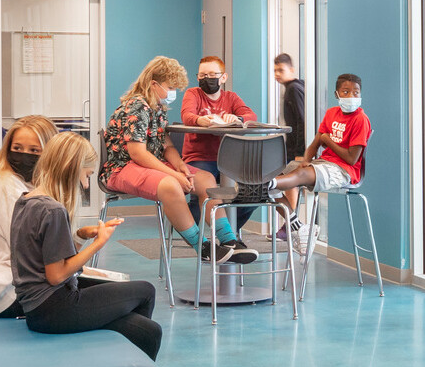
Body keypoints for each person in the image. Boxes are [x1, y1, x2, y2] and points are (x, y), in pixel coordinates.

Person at [12, 132, 185, 367]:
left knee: (146, 329)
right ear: (71, 168)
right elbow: (56, 274)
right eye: (86, 174)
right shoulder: (53, 210)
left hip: (38, 304)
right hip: (54, 306)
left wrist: (82, 234)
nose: (86, 182)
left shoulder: (28, 200)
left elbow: (45, 254)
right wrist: (99, 243)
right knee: (144, 292)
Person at [102, 56, 253, 264]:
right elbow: (137, 153)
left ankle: (229, 241)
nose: (173, 92)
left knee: (205, 179)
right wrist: (174, 174)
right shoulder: (136, 107)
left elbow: (167, 146)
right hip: (123, 167)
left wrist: (182, 167)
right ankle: (203, 247)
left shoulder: (157, 108)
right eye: (170, 87)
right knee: (171, 185)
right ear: (153, 84)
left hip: (147, 163)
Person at [0, 115, 59, 317]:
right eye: (17, 149)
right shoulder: (5, 186)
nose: (24, 157)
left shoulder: (27, 184)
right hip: (8, 294)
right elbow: (34, 251)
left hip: (4, 289)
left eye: (34, 151)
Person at [270, 72, 370, 240]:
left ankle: (265, 184)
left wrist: (328, 140)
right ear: (336, 94)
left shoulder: (361, 119)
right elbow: (315, 144)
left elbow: (351, 159)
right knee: (275, 181)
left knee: (293, 177)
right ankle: (299, 228)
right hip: (322, 163)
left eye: (356, 92)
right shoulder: (331, 113)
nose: (351, 96)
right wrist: (306, 160)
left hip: (344, 170)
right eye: (346, 92)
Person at [181, 56, 261, 236]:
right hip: (199, 158)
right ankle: (198, 232)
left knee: (255, 192)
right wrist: (200, 120)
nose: (206, 79)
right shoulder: (193, 94)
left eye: (211, 74)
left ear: (223, 77)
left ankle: (228, 231)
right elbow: (187, 115)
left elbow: (251, 115)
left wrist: (238, 118)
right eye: (202, 75)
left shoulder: (231, 98)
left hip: (229, 160)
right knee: (205, 192)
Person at [273, 53, 307, 163]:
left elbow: (302, 121)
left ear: (291, 70)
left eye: (281, 70)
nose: (277, 74)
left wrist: (300, 153)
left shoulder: (294, 88)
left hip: (297, 152)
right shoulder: (293, 87)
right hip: (291, 149)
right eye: (275, 70)